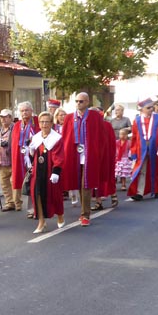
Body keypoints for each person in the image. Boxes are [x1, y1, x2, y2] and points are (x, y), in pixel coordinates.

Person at [61, 92, 107, 227]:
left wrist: (97, 152)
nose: (78, 103)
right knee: (78, 182)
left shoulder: (95, 117)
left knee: (85, 183)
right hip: (73, 154)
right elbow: (65, 137)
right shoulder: (69, 118)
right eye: (77, 101)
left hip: (89, 153)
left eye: (81, 101)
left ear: (87, 102)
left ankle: (85, 214)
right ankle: (83, 209)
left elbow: (101, 136)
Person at [27, 112, 65, 233]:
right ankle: (41, 222)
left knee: (54, 195)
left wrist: (56, 172)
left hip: (51, 171)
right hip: (38, 172)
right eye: (42, 122)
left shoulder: (56, 138)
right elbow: (33, 157)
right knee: (37, 195)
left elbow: (58, 156)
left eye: (47, 122)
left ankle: (60, 216)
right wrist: (31, 151)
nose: (44, 124)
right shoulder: (36, 137)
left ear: (51, 123)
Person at [128, 98, 158, 201]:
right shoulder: (137, 120)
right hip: (141, 148)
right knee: (141, 169)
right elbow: (134, 137)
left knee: (155, 168)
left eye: (152, 107)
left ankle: (157, 190)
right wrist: (133, 151)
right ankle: (139, 192)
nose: (151, 109)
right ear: (142, 109)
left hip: (155, 147)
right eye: (148, 107)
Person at [11, 101, 39, 217]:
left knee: (34, 181)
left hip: (34, 156)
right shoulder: (17, 125)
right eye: (22, 111)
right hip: (21, 157)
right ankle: (28, 208)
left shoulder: (37, 122)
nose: (24, 113)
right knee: (25, 181)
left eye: (26, 110)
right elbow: (14, 143)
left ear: (31, 111)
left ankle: (34, 209)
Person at [0, 109, 16, 212]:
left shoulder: (15, 128)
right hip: (1, 162)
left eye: (5, 117)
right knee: (4, 183)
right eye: (1, 117)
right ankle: (9, 202)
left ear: (10, 118)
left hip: (12, 161)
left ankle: (17, 202)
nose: (3, 119)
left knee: (13, 182)